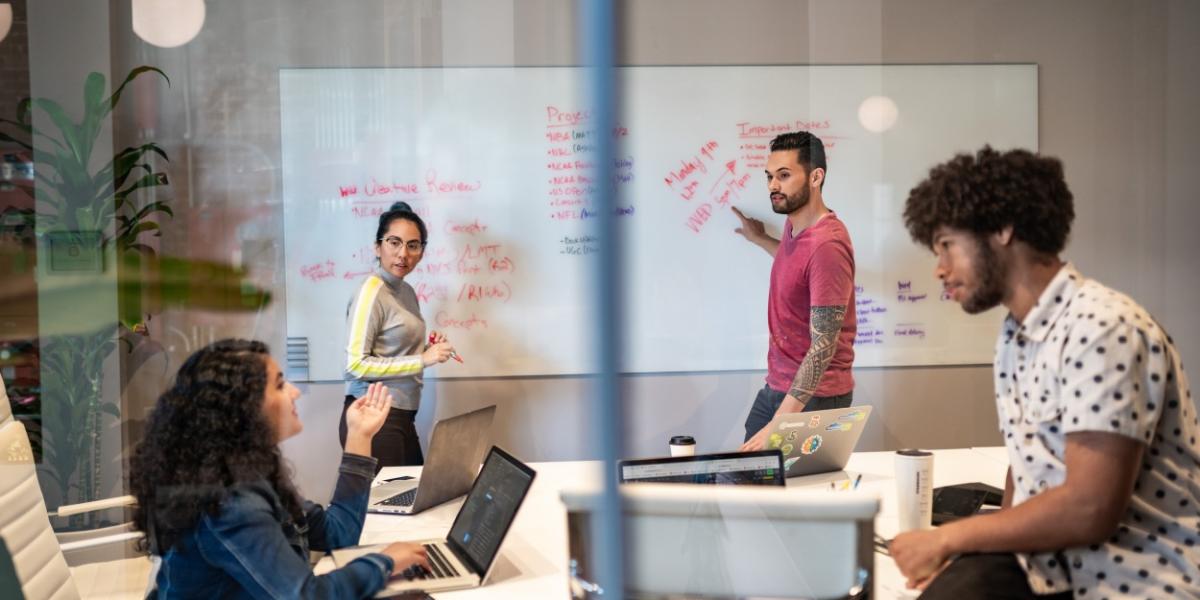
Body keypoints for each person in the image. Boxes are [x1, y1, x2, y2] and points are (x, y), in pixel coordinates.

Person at [890, 146, 1198, 598]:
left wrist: (948, 538)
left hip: (1136, 581)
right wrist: (977, 559)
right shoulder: (1017, 334)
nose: (940, 269)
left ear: (1002, 229)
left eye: (946, 246)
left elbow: (1090, 507)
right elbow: (1028, 466)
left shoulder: (1101, 326)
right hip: (1051, 568)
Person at [130, 339, 430, 598]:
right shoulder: (232, 503)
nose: (295, 392)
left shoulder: (251, 473)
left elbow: (338, 535)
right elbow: (304, 597)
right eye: (280, 384)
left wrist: (359, 436)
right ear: (243, 407)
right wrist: (384, 562)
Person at [732, 131, 857, 451]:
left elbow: (823, 347)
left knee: (790, 495)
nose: (773, 185)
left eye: (784, 176)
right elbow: (798, 268)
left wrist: (781, 423)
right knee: (747, 482)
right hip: (779, 385)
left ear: (816, 177)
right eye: (770, 176)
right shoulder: (795, 225)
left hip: (815, 399)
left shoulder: (827, 245)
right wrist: (759, 239)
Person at [342, 201, 455, 466]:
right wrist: (422, 360)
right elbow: (355, 365)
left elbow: (393, 349)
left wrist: (425, 348)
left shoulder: (406, 291)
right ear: (377, 246)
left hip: (400, 415)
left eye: (413, 245)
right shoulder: (371, 290)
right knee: (390, 506)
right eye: (394, 242)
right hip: (373, 414)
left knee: (413, 501)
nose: (403, 253)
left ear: (422, 251)